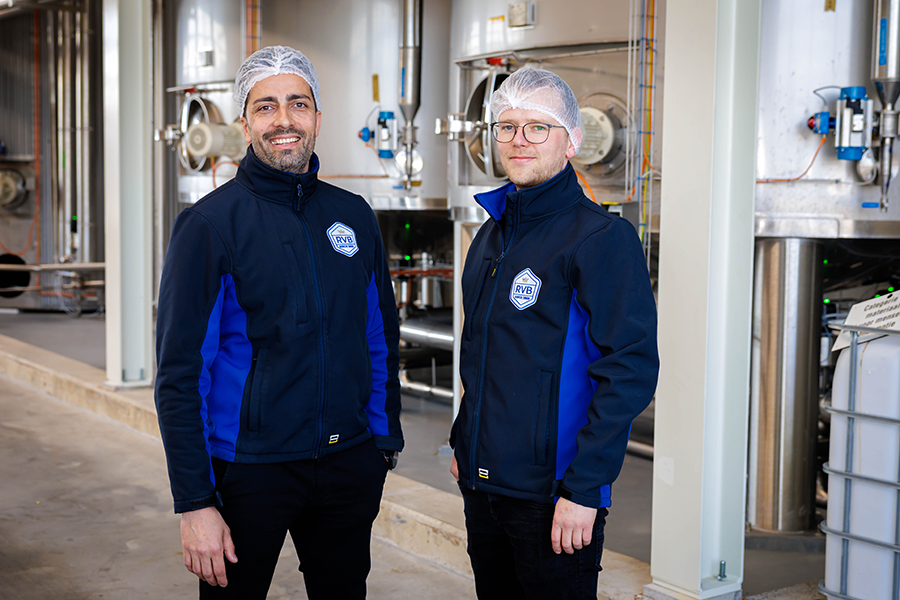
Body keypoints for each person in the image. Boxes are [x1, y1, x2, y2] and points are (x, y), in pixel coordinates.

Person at [154, 45, 403, 600]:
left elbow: (378, 335)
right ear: (244, 124)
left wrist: (382, 440)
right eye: (266, 107)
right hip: (249, 470)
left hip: (346, 463)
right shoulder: (209, 225)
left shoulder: (353, 215)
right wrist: (195, 501)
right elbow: (179, 372)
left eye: (298, 103)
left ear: (317, 117)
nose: (284, 120)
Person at [449, 66, 659, 599]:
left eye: (537, 127)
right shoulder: (490, 235)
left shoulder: (601, 239)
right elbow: (482, 353)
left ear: (572, 141)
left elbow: (629, 370)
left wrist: (586, 487)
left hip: (554, 495)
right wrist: (462, 436)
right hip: (483, 484)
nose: (518, 140)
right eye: (507, 126)